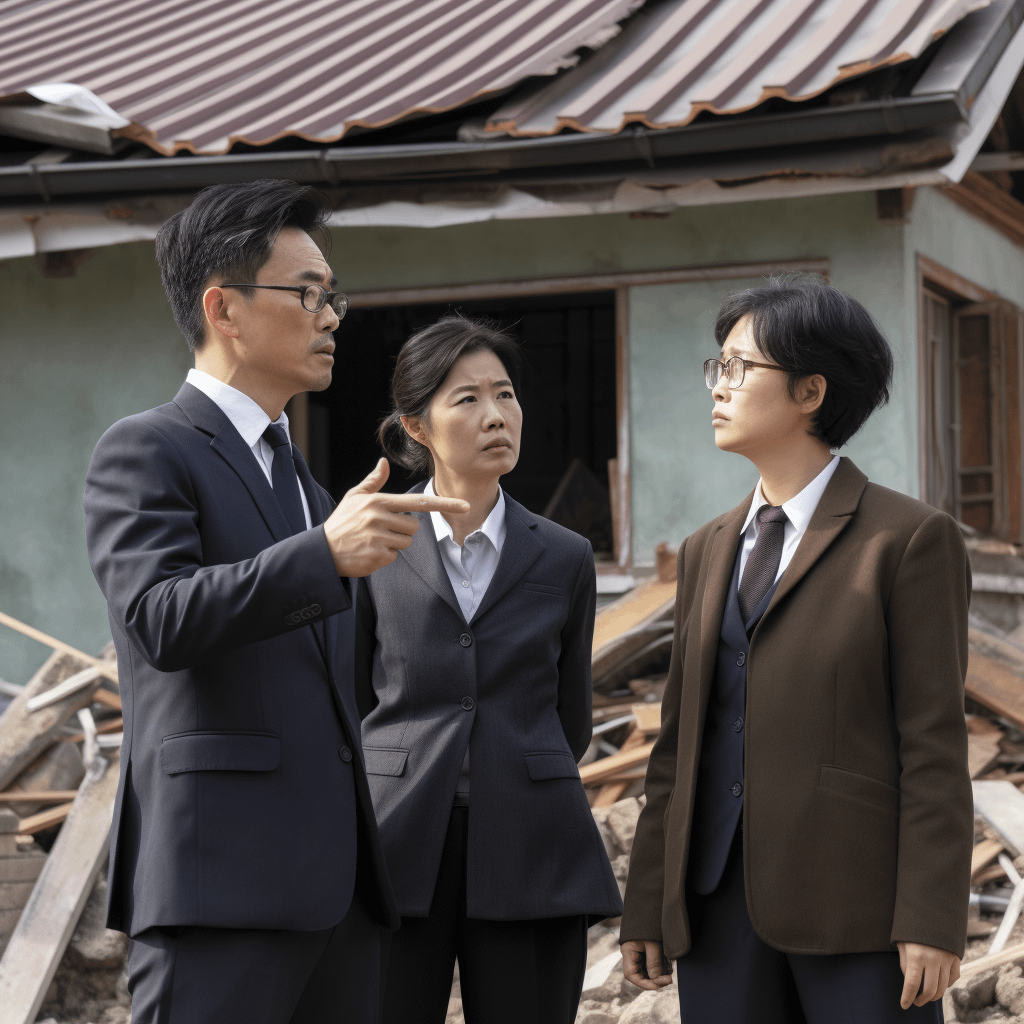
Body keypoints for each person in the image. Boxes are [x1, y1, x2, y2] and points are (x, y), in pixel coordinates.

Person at [83, 179, 468, 1024]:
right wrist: (324, 553)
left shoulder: (304, 481)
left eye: (334, 297)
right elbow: (158, 620)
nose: (332, 316)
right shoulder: (146, 449)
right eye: (309, 294)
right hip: (218, 884)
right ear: (224, 309)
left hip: (340, 897)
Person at [619, 277, 973, 1023]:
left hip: (858, 912)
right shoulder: (706, 549)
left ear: (811, 390)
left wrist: (931, 917)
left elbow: (933, 744)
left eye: (741, 367)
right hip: (716, 908)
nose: (719, 386)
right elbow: (679, 745)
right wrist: (650, 900)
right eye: (717, 366)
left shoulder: (906, 540)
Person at [354, 313, 623, 1024]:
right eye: (466, 399)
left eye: (505, 395)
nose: (495, 415)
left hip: (530, 840)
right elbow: (353, 696)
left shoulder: (563, 554)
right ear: (416, 426)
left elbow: (571, 716)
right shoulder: (372, 540)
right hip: (398, 840)